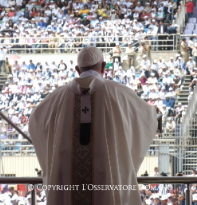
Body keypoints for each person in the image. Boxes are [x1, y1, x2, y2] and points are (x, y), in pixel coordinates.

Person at [29, 46, 157, 205]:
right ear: (103, 66)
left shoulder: (57, 97)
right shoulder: (120, 93)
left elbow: (35, 122)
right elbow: (149, 119)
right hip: (107, 178)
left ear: (77, 69)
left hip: (67, 182)